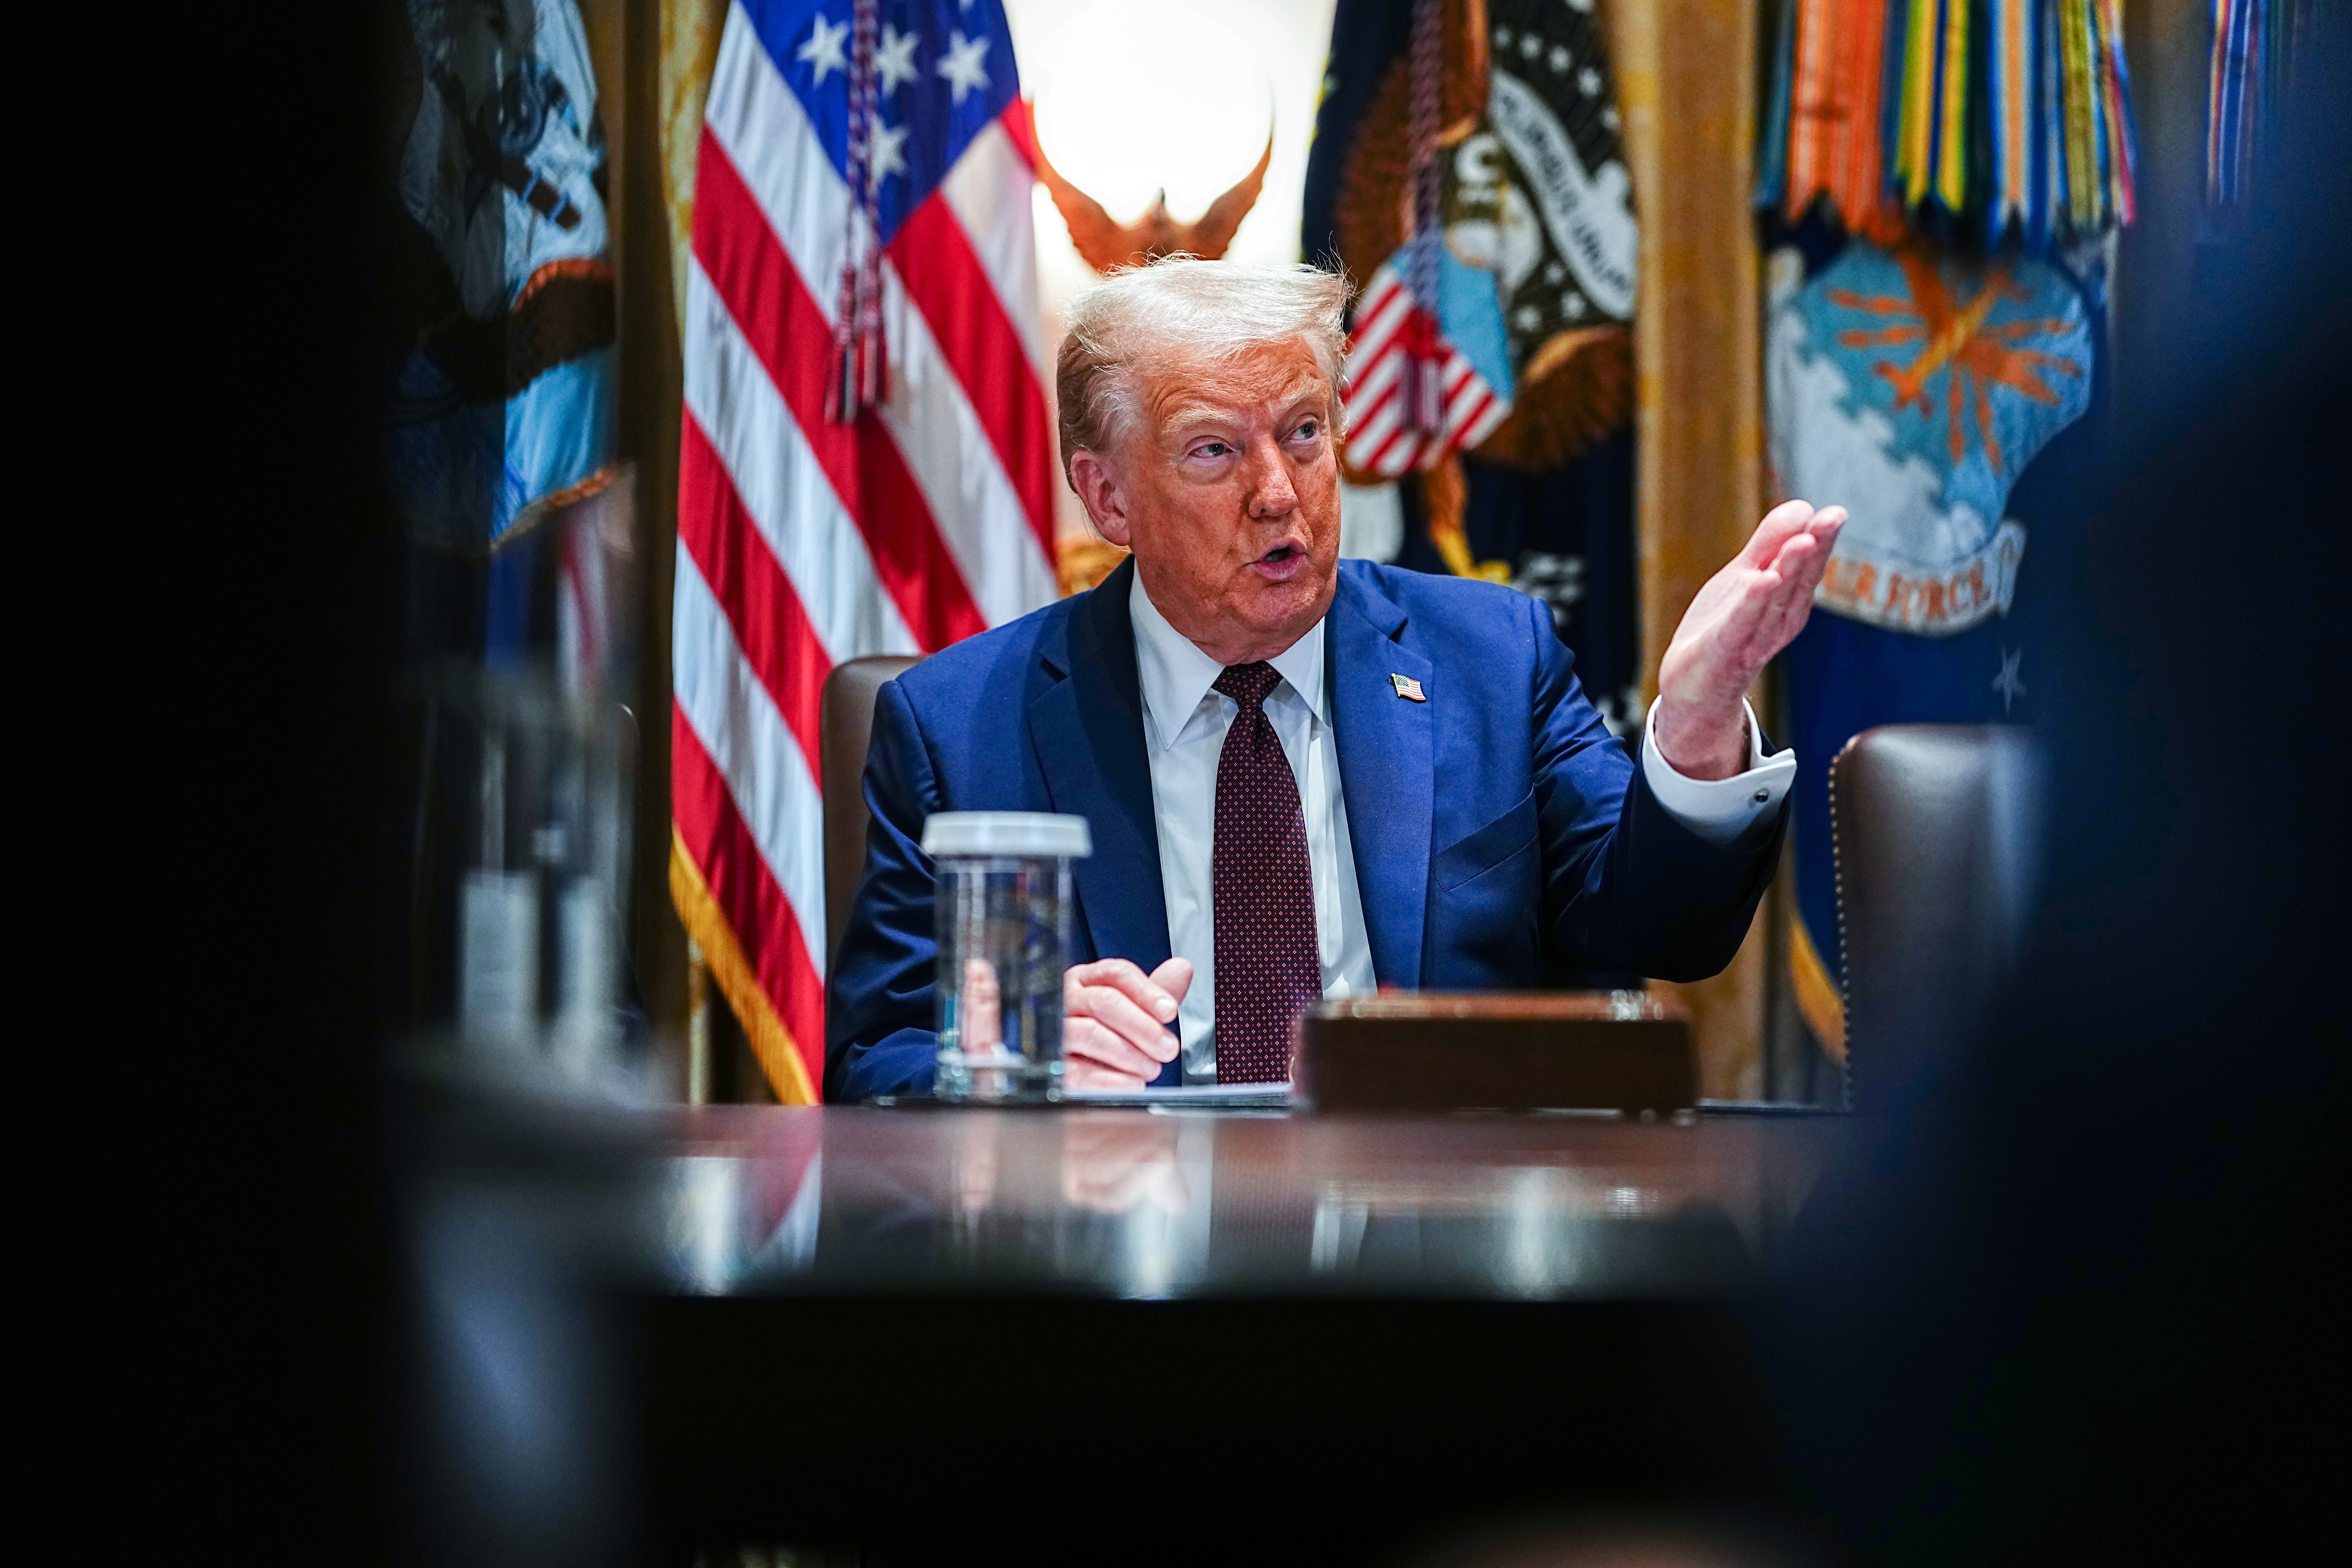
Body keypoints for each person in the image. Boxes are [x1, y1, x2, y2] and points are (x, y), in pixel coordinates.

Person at [825, 259, 1844, 1099]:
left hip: (1439, 1251)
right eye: (1215, 451)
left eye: (1305, 433)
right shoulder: (958, 732)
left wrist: (1702, 725)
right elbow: (876, 1068)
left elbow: (1660, 927)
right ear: (1108, 497)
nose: (1281, 496)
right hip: (1125, 1266)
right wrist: (1023, 1064)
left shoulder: (1490, 658)